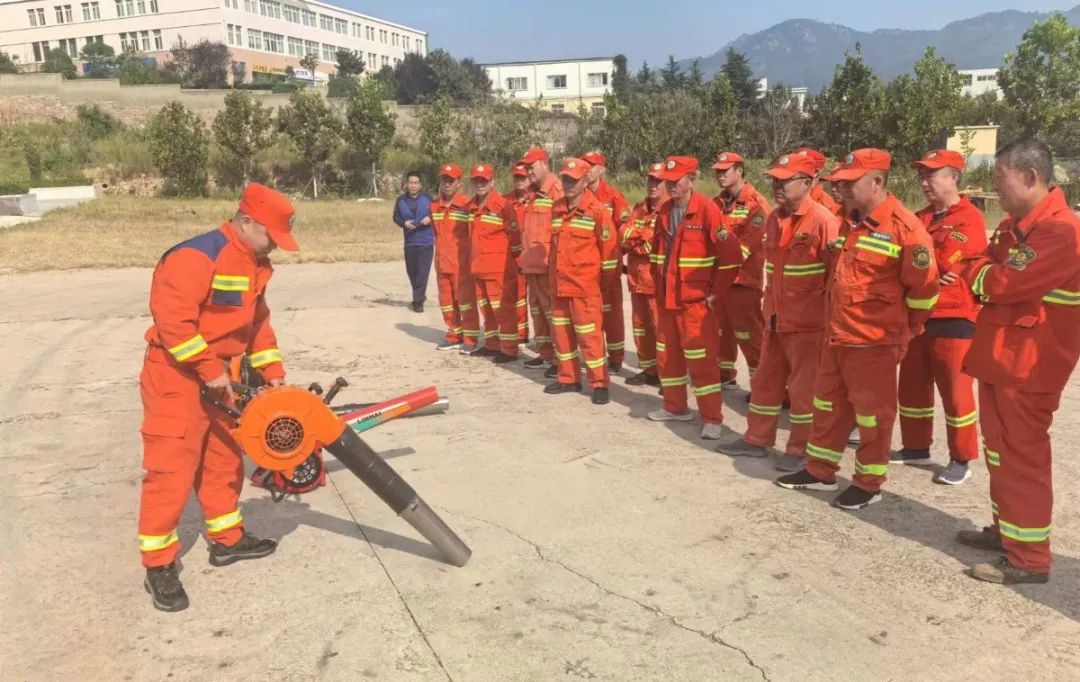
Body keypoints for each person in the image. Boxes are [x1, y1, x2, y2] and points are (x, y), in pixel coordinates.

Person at [138, 183, 297, 612]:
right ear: (246, 222)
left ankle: (227, 538)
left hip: (223, 379)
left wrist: (274, 374)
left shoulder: (255, 263)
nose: (275, 247)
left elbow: (257, 324)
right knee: (171, 470)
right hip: (176, 378)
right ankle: (159, 564)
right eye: (271, 237)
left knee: (224, 459)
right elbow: (174, 323)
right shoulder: (195, 256)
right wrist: (209, 370)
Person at [775, 148, 940, 510]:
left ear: (877, 182)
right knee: (827, 406)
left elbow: (925, 292)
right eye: (840, 183)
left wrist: (904, 330)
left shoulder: (906, 230)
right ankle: (820, 470)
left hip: (874, 342)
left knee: (872, 416)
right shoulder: (845, 221)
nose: (842, 189)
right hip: (836, 335)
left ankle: (868, 483)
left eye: (850, 183)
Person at [957, 139, 1080, 585]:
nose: (994, 188)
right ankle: (1007, 532)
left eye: (999, 179)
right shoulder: (1016, 226)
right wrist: (985, 272)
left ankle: (1029, 559)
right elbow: (986, 267)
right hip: (1002, 360)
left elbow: (1003, 282)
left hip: (1029, 368)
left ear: (1030, 177)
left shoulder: (1061, 231)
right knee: (1000, 453)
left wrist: (982, 274)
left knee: (1021, 459)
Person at [716, 153, 840, 470]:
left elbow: (835, 277)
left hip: (807, 324)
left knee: (803, 391)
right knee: (765, 382)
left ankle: (800, 450)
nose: (777, 186)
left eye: (785, 180)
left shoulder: (824, 221)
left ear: (808, 183)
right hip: (774, 318)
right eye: (774, 180)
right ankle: (756, 439)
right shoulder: (774, 218)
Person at [892, 149, 988, 485]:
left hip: (953, 315)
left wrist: (926, 263)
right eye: (921, 176)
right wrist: (926, 264)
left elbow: (945, 262)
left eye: (931, 175)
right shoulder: (918, 217)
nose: (924, 182)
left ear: (953, 178)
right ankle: (915, 447)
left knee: (955, 391)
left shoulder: (970, 218)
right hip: (918, 313)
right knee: (912, 386)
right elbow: (905, 259)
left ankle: (961, 457)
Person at [648, 156, 743, 439]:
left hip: (696, 304)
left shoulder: (707, 210)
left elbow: (731, 256)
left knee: (702, 362)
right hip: (668, 300)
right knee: (668, 357)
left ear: (691, 180)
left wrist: (716, 293)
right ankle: (675, 407)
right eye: (667, 182)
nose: (670, 187)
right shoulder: (664, 211)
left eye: (676, 181)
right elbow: (658, 254)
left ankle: (712, 418)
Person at [545, 158, 618, 405]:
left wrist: (601, 284)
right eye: (565, 179)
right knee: (562, 334)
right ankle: (568, 379)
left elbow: (609, 255)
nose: (567, 184)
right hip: (559, 285)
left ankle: (599, 383)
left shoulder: (597, 211)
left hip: (585, 288)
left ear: (586, 181)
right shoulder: (556, 208)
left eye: (573, 180)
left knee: (590, 338)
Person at [712, 151, 771, 390]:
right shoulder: (716, 203)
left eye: (725, 171)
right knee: (721, 332)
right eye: (717, 171)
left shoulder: (756, 205)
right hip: (721, 281)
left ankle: (764, 386)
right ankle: (725, 375)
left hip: (743, 283)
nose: (720, 175)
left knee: (750, 336)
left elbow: (743, 249)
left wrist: (716, 253)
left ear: (739, 171)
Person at [582, 151, 631, 372]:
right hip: (586, 267)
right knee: (589, 315)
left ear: (601, 169)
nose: (586, 170)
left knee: (611, 315)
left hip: (608, 268)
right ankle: (595, 356)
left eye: (591, 166)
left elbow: (625, 230)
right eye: (584, 165)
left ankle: (616, 358)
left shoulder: (614, 197)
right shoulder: (580, 195)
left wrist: (616, 255)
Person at [516, 147, 564, 369]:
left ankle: (560, 359)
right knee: (537, 311)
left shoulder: (556, 191)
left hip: (547, 266)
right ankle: (545, 352)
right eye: (526, 167)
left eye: (531, 166)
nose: (528, 171)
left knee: (553, 313)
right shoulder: (532, 193)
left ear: (545, 163)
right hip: (532, 264)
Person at [621, 162, 668, 386]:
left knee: (661, 330)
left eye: (658, 181)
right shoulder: (639, 208)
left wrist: (637, 240)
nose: (653, 185)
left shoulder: (669, 210)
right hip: (636, 280)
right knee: (641, 328)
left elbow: (656, 245)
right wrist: (643, 237)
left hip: (656, 282)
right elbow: (623, 235)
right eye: (650, 180)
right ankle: (649, 371)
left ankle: (668, 376)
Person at [467, 163, 520, 363]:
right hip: (479, 268)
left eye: (484, 181)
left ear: (492, 182)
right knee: (486, 310)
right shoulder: (471, 207)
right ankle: (492, 344)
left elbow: (515, 238)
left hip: (498, 269)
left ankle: (509, 349)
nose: (480, 184)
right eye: (476, 181)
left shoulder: (503, 206)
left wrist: (513, 264)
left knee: (503, 310)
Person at [430, 163, 480, 352]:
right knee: (446, 301)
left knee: (465, 302)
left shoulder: (468, 206)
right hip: (442, 262)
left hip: (461, 264)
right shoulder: (434, 206)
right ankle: (454, 335)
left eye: (451, 180)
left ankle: (470, 338)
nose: (447, 184)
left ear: (459, 183)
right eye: (444, 180)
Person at [392, 171, 434, 312]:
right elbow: (395, 217)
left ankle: (418, 302)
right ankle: (420, 295)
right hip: (410, 242)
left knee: (422, 273)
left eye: (416, 183)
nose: (413, 186)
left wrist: (430, 219)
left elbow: (437, 213)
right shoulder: (401, 200)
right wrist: (404, 223)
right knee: (412, 273)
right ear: (407, 184)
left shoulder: (428, 198)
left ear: (420, 185)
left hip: (426, 242)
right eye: (410, 183)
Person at [505, 163, 532, 344]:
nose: (520, 180)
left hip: (535, 257)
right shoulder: (504, 202)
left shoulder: (538, 199)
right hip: (513, 257)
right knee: (517, 296)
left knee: (540, 301)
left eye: (523, 177)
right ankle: (521, 334)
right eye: (517, 177)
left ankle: (546, 342)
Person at [794, 147, 842, 216]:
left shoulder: (828, 206)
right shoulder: (785, 198)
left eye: (800, 171)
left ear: (815, 173)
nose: (793, 174)